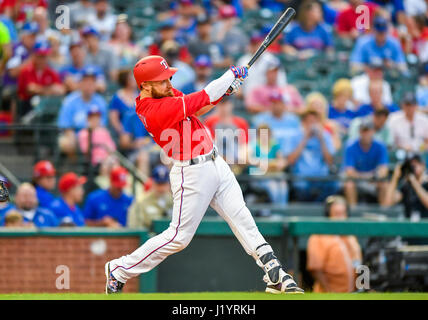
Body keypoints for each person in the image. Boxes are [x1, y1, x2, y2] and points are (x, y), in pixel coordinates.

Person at [104, 55, 303, 294]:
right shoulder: (151, 109)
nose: (168, 84)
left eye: (168, 78)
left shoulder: (164, 93)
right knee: (178, 237)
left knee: (243, 220)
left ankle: (275, 274)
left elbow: (203, 105)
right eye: (161, 80)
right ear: (145, 85)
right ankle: (119, 269)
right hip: (191, 172)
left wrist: (226, 90)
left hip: (215, 162)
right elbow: (200, 97)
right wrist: (229, 76)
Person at [307, 196, 362, 292]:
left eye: (343, 213)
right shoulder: (318, 236)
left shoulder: (350, 235)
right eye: (336, 214)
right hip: (327, 294)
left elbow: (359, 264)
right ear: (328, 215)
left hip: (351, 293)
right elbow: (315, 269)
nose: (341, 218)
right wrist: (329, 292)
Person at [285, 109, 338, 202]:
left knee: (335, 185)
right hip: (302, 178)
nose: (312, 125)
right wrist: (305, 138)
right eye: (310, 122)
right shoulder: (295, 136)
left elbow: (330, 161)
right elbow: (290, 160)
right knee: (301, 188)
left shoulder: (325, 136)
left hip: (322, 177)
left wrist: (322, 140)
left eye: (315, 122)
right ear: (304, 123)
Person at [57, 66, 108, 157]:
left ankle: (96, 166)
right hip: (74, 134)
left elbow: (102, 124)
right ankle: (76, 167)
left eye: (92, 81)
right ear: (80, 83)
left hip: (94, 134)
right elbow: (65, 127)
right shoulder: (70, 101)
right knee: (67, 143)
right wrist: (79, 137)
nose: (89, 85)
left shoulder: (100, 101)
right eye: (86, 81)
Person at [343, 118, 389, 206]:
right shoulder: (351, 146)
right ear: (359, 132)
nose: (365, 134)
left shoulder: (380, 146)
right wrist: (367, 176)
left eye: (368, 131)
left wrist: (374, 177)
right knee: (349, 185)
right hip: (357, 180)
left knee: (384, 185)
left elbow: (383, 170)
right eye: (363, 131)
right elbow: (349, 171)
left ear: (373, 131)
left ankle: (384, 213)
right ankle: (353, 213)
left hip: (374, 180)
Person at [17, 39, 65, 118]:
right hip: (27, 107)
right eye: (40, 56)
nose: (43, 59)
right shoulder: (27, 71)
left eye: (45, 56)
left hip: (46, 108)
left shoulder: (51, 72)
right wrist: (50, 89)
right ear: (35, 56)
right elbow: (31, 89)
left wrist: (41, 90)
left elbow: (60, 90)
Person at [384, 154, 428, 219]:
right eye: (411, 166)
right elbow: (387, 203)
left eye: (415, 165)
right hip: (409, 226)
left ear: (423, 165)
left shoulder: (426, 183)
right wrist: (395, 177)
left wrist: (414, 181)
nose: (413, 168)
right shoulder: (406, 186)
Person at [108, 68, 138, 137]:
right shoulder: (117, 98)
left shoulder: (139, 95)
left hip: (140, 132)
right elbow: (114, 119)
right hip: (125, 134)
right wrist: (123, 133)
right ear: (126, 81)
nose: (135, 80)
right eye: (132, 78)